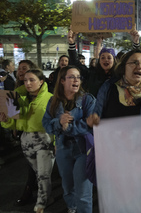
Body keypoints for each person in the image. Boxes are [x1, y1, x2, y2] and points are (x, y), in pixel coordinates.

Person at [43, 66, 95, 213]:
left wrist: (69, 127)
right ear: (62, 81)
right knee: (67, 187)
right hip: (62, 149)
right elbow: (46, 124)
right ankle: (72, 209)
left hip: (83, 150)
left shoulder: (88, 100)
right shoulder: (53, 101)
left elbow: (91, 124)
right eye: (71, 77)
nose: (76, 80)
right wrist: (59, 122)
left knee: (83, 191)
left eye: (78, 77)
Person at [0, 69, 54, 213]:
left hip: (45, 140)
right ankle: (48, 196)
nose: (28, 83)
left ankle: (41, 203)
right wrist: (5, 121)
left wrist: (55, 143)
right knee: (39, 173)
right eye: (25, 81)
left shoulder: (51, 98)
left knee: (43, 174)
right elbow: (14, 123)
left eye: (32, 80)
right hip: (26, 141)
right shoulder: (18, 98)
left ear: (41, 81)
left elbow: (56, 123)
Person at [86, 49, 141, 124]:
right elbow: (97, 114)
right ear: (124, 67)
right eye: (135, 62)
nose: (139, 67)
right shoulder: (108, 87)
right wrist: (94, 120)